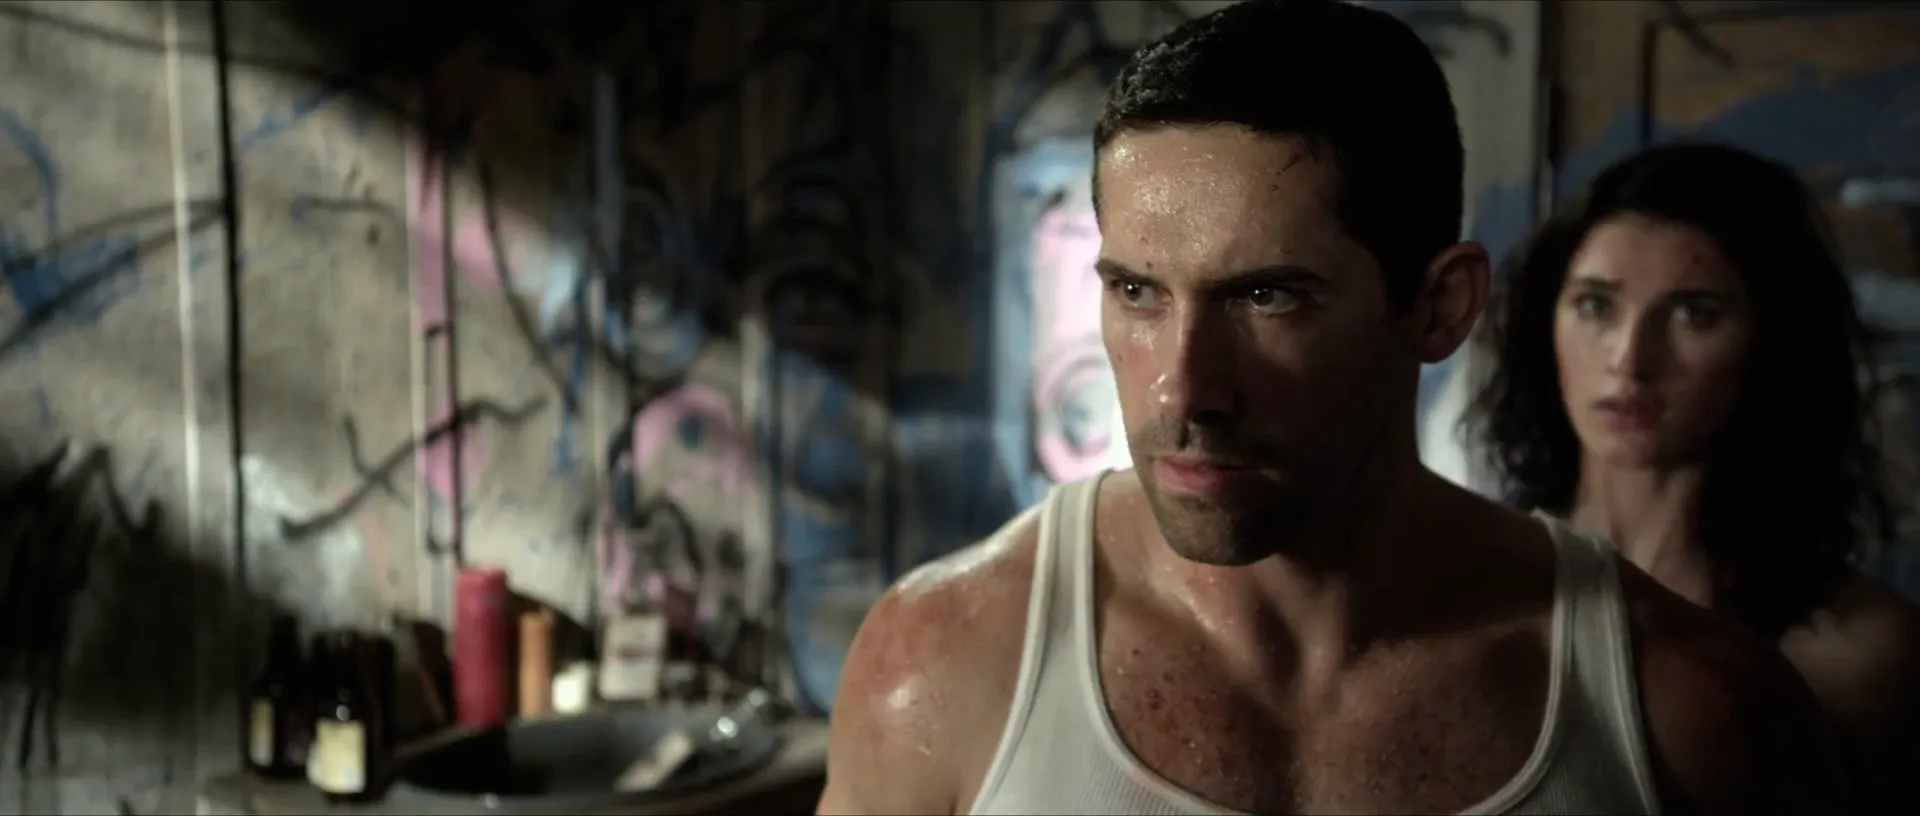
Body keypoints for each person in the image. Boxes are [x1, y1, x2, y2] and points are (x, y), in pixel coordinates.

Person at [818, 1, 1855, 813]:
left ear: (1440, 305)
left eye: (1267, 296)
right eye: (1137, 290)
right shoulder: (942, 667)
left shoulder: (1692, 711)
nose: (1186, 389)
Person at [1470, 141, 1920, 806]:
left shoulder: (1854, 654)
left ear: (1771, 341)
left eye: (1694, 313)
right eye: (1596, 305)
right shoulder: (1466, 584)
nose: (1630, 359)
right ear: (1548, 322)